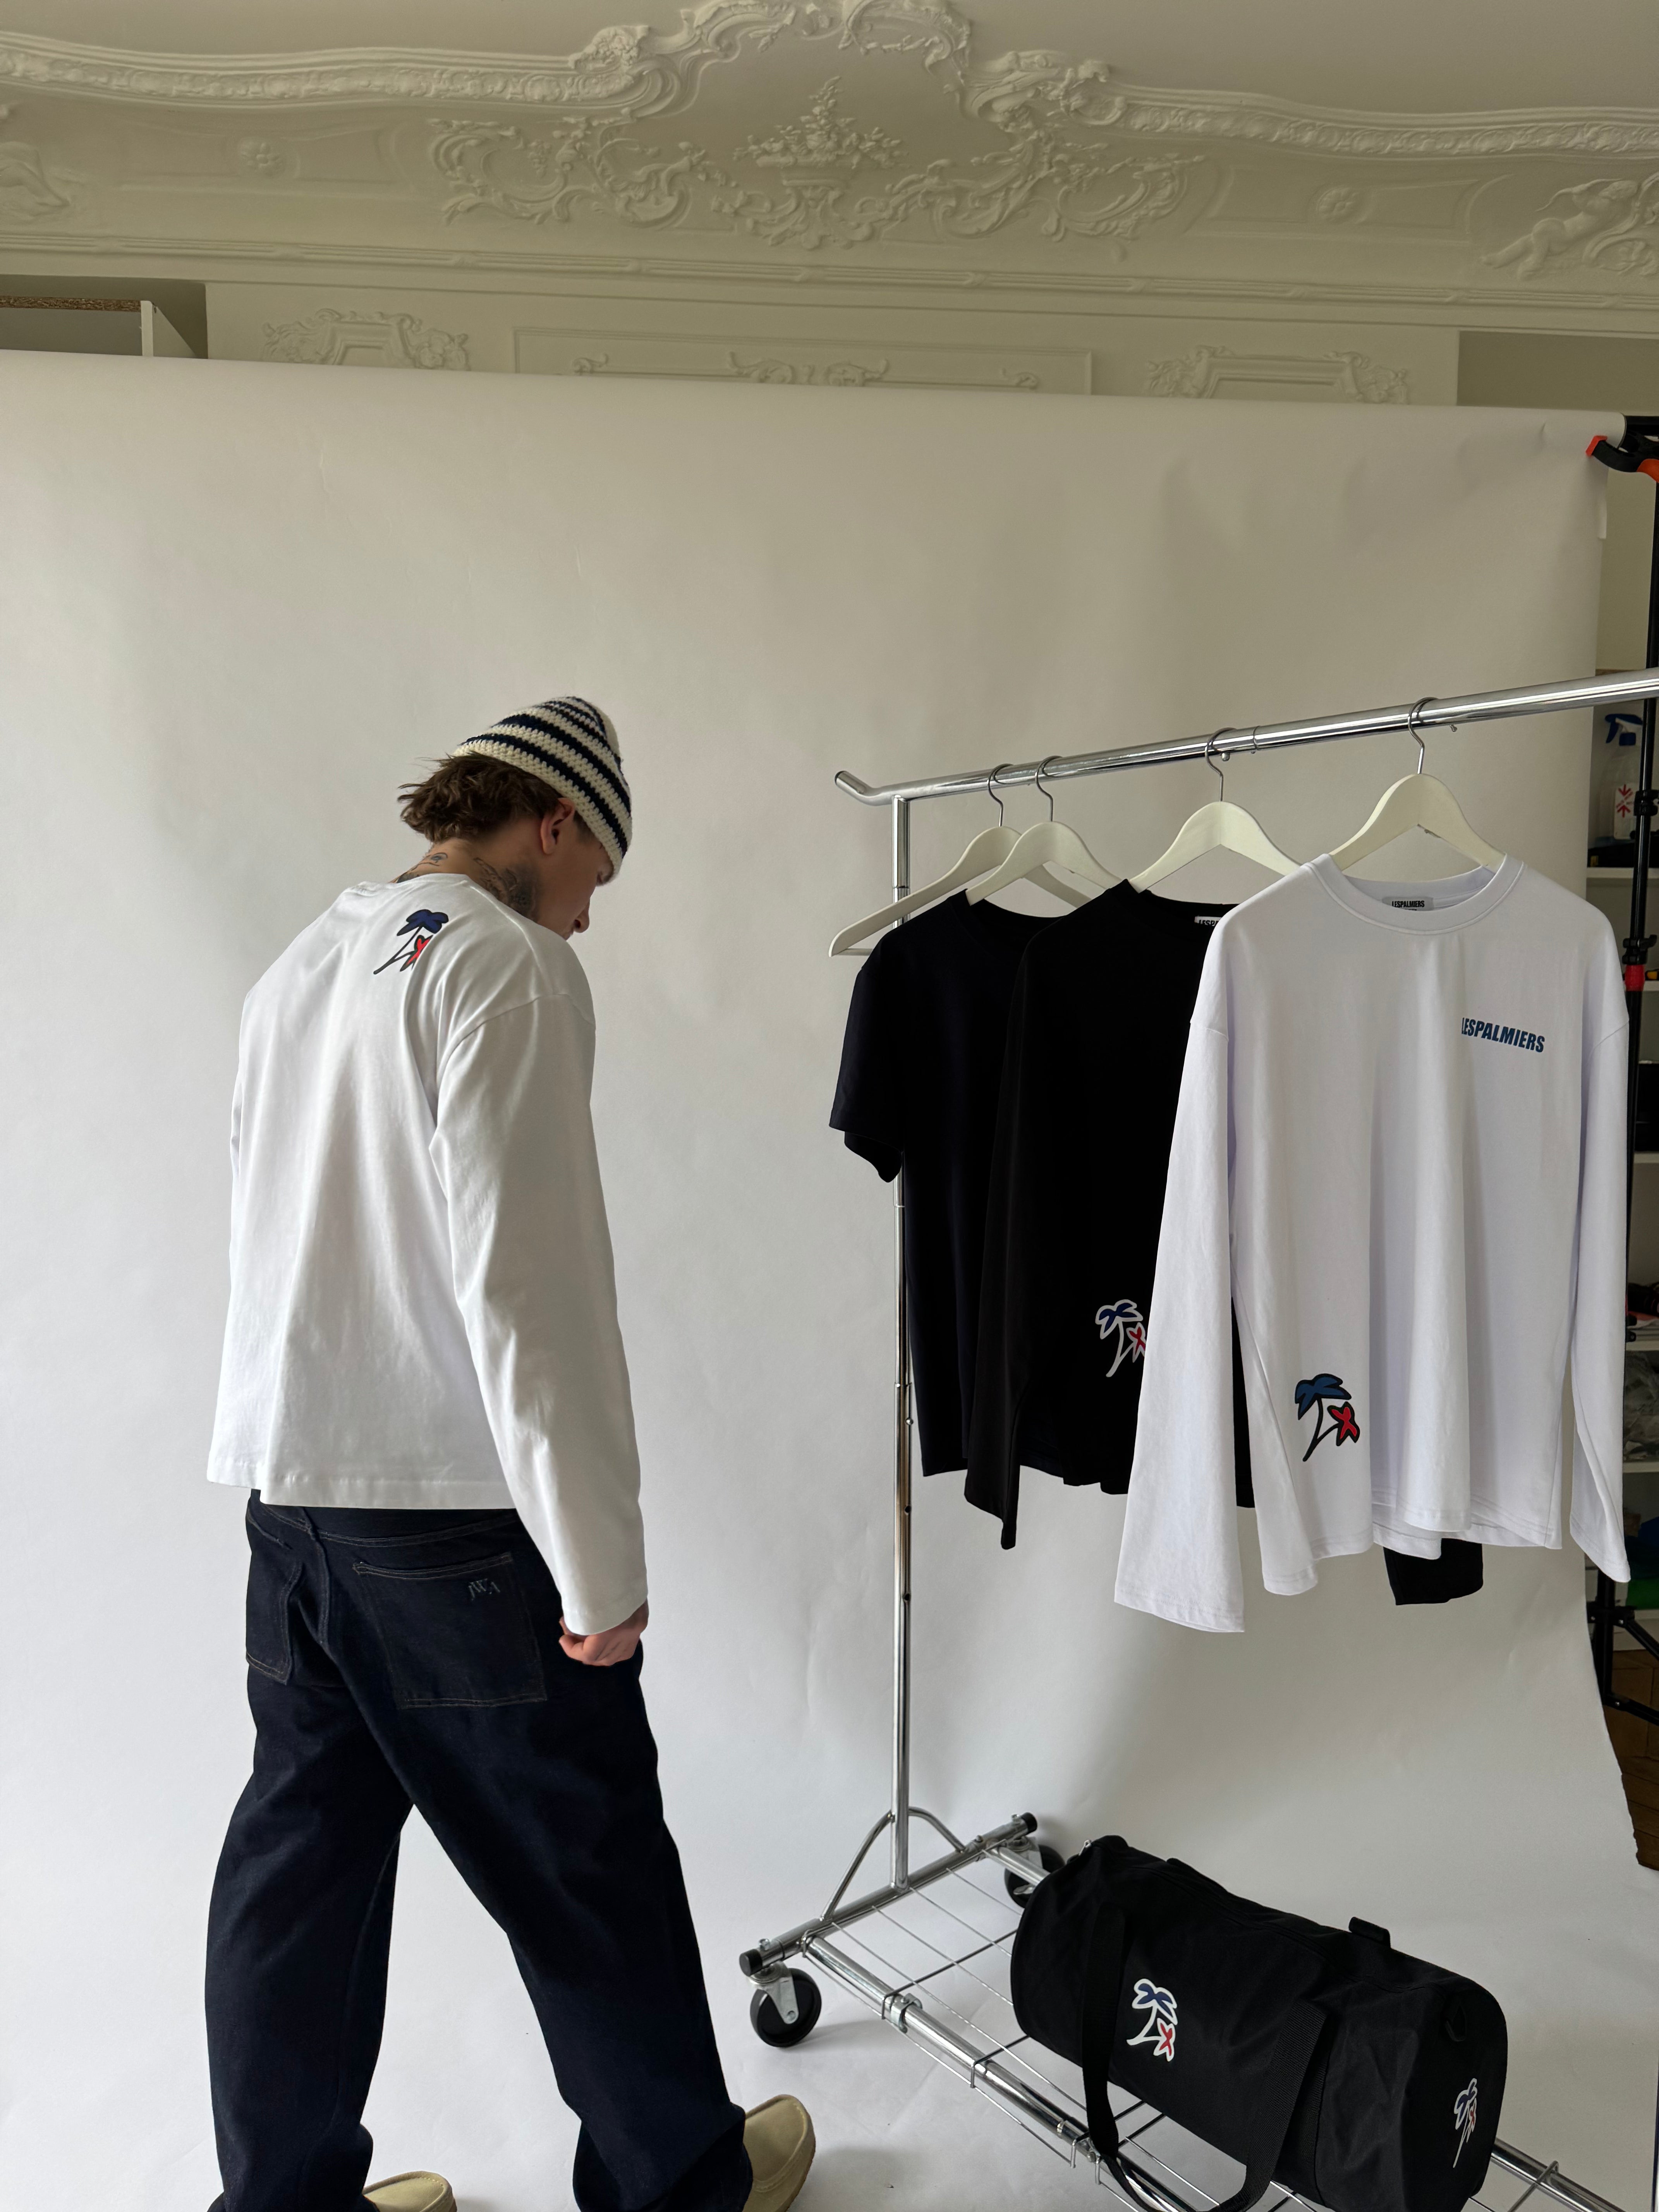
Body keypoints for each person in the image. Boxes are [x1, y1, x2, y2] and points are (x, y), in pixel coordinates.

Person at [202, 698, 814, 2212]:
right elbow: (529, 1291)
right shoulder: (504, 966)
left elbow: (264, 1224)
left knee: (301, 1863)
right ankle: (683, 2187)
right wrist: (598, 1564)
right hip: (452, 1521)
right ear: (555, 819)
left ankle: (280, 2203)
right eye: (599, 869)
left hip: (296, 1496)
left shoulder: (304, 962)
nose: (590, 912)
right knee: (586, 1859)